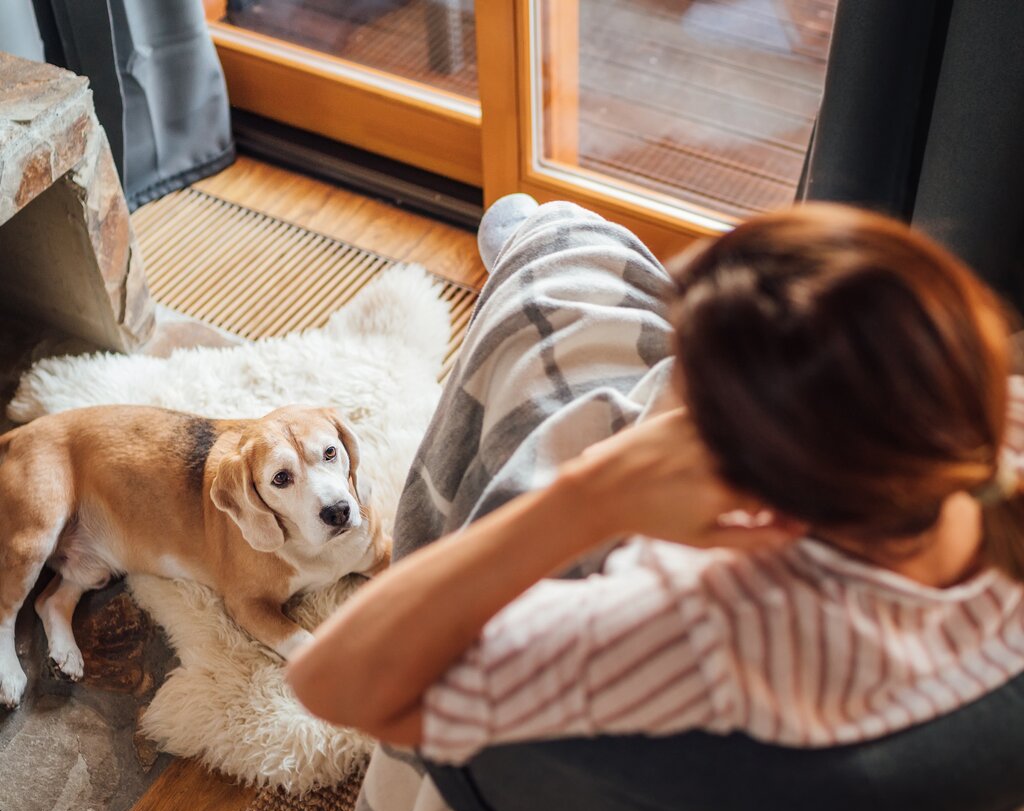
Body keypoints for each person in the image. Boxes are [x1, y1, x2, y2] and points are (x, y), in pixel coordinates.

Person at [285, 200, 1024, 763]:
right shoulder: (992, 433)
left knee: (547, 299)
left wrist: (591, 496)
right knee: (570, 269)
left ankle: (533, 249)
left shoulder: (714, 624)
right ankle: (536, 247)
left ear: (760, 495)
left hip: (619, 572)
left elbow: (331, 683)